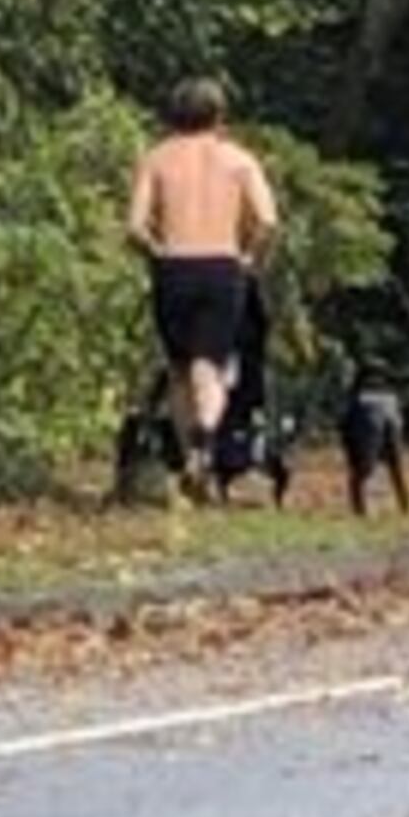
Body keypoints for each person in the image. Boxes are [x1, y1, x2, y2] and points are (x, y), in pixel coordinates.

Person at [125, 76, 279, 501]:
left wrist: (156, 251)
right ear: (220, 114)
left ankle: (186, 455)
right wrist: (249, 258)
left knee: (178, 368)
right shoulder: (239, 160)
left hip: (173, 266)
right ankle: (206, 439)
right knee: (209, 365)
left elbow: (134, 227)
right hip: (222, 266)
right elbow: (267, 220)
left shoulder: (156, 160)